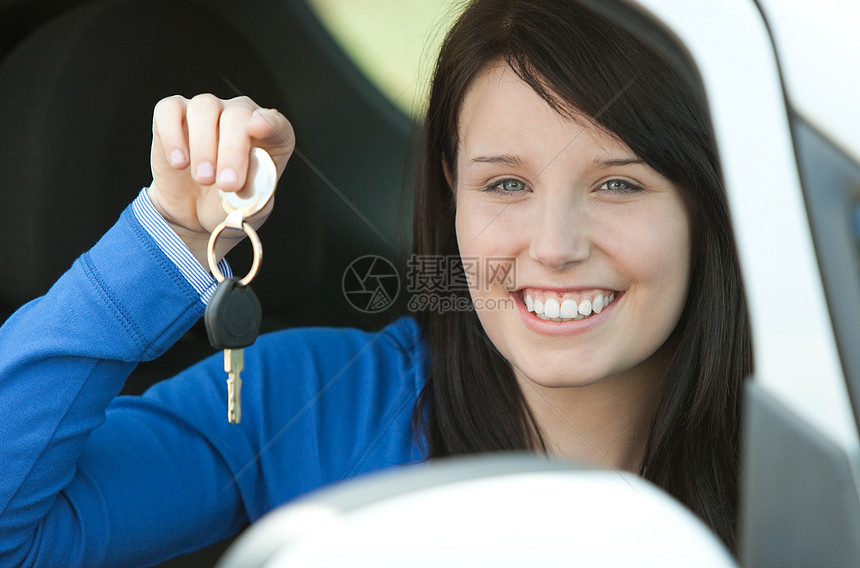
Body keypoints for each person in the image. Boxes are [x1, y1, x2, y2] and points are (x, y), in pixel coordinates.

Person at [0, 0, 751, 565]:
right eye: (507, 185)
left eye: (619, 185)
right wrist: (173, 234)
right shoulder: (317, 402)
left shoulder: (820, 431)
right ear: (452, 191)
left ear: (706, 206)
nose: (554, 247)